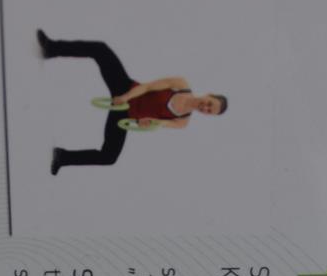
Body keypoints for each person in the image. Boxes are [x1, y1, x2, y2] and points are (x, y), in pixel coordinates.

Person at [36, 30, 227, 174]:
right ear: (209, 94)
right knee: (101, 50)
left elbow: (158, 123)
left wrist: (146, 123)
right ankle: (51, 48)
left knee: (109, 157)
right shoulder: (181, 84)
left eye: (209, 111)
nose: (206, 107)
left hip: (125, 115)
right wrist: (125, 97)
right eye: (210, 103)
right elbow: (148, 87)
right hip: (127, 90)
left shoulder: (182, 122)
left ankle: (61, 157)